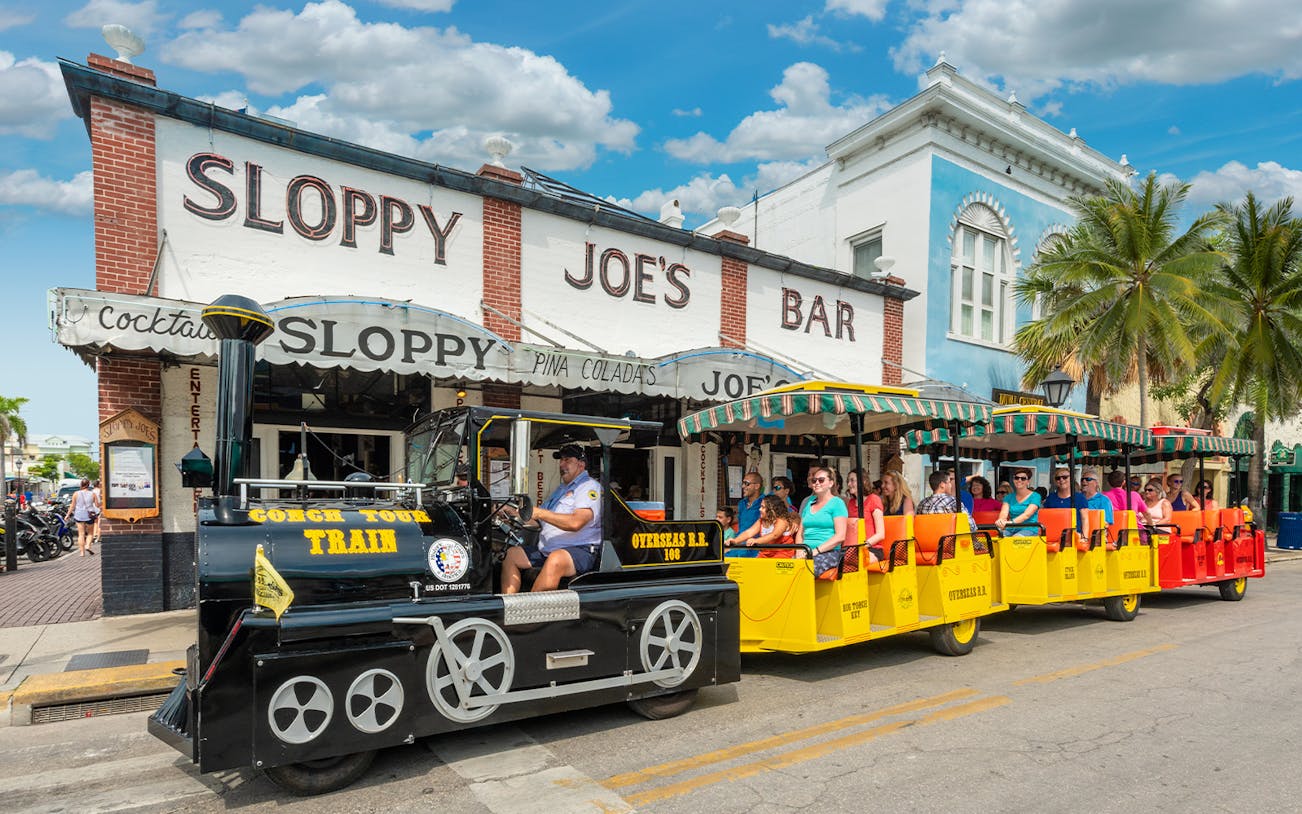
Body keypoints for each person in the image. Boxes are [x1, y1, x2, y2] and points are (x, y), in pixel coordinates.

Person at [501, 444, 602, 593]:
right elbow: (538, 520)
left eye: (567, 460)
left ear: (581, 464)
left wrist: (540, 513)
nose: (561, 464)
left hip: (581, 550)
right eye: (561, 460)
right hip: (549, 549)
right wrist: (511, 514)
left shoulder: (589, 487)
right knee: (511, 555)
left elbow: (576, 523)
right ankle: (508, 605)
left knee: (556, 559)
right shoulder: (561, 489)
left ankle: (530, 612)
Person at [795, 466, 848, 577]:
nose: (817, 483)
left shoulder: (837, 503)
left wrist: (816, 551)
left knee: (806, 570)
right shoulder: (809, 503)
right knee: (783, 569)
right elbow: (800, 533)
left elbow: (840, 536)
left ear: (831, 483)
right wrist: (799, 550)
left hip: (828, 552)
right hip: (805, 551)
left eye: (821, 480)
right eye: (814, 480)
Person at [730, 495, 797, 557]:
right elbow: (749, 532)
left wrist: (756, 541)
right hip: (766, 553)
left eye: (763, 507)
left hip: (782, 554)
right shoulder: (761, 521)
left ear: (772, 510)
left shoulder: (782, 520)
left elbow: (774, 535)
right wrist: (735, 541)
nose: (760, 509)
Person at [843, 468, 885, 563]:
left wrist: (862, 545)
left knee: (855, 560)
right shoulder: (851, 503)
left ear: (864, 481)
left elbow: (880, 534)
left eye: (852, 480)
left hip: (872, 548)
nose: (849, 484)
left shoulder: (874, 499)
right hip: (853, 548)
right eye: (848, 481)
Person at [996, 468, 1041, 536]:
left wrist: (1011, 523)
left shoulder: (1035, 496)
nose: (1019, 480)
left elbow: (1026, 515)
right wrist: (1001, 521)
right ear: (1013, 480)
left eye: (1023, 478)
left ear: (1028, 481)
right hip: (1011, 528)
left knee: (1016, 540)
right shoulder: (1008, 497)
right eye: (1016, 478)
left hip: (1029, 528)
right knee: (999, 539)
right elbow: (1004, 513)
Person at [64, 478, 99, 556]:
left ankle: (82, 552)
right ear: (88, 485)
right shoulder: (92, 494)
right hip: (90, 515)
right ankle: (88, 546)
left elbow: (72, 505)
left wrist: (67, 515)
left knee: (81, 534)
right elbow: (97, 505)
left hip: (79, 515)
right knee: (90, 533)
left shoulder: (76, 493)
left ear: (81, 485)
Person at [732, 473, 765, 558]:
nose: (743, 486)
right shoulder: (742, 503)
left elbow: (787, 513)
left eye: (746, 483)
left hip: (755, 548)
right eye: (742, 483)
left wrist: (795, 519)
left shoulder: (766, 502)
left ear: (757, 486)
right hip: (738, 545)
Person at [90, 480, 102, 546]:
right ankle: (98, 538)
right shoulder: (100, 491)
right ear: (98, 484)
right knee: (100, 524)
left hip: (93, 509)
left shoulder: (91, 492)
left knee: (95, 523)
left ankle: (94, 535)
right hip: (99, 508)